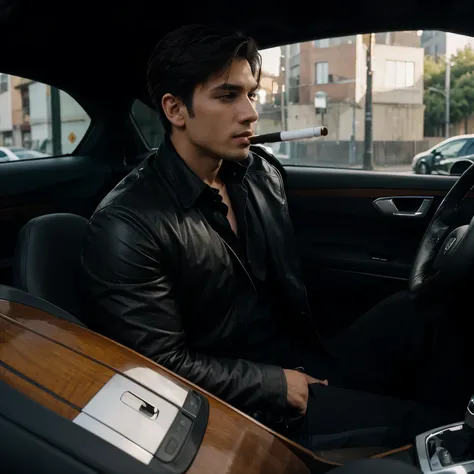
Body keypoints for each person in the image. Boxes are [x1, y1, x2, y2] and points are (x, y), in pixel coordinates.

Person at [80, 24, 470, 451]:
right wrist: (276, 385)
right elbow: (158, 368)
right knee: (440, 428)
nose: (249, 113)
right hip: (243, 407)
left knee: (425, 310)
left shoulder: (259, 174)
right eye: (228, 96)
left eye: (251, 94)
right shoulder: (128, 225)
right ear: (175, 110)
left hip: (300, 359)